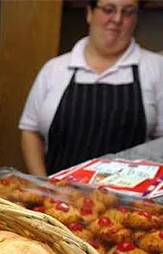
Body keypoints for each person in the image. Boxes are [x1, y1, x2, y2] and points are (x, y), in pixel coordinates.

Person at [19, 0, 163, 177]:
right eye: (108, 9)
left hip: (130, 200)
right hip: (56, 197)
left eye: (128, 12)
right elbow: (30, 131)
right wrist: (42, 185)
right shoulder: (55, 68)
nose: (117, 19)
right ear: (89, 13)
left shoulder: (156, 68)